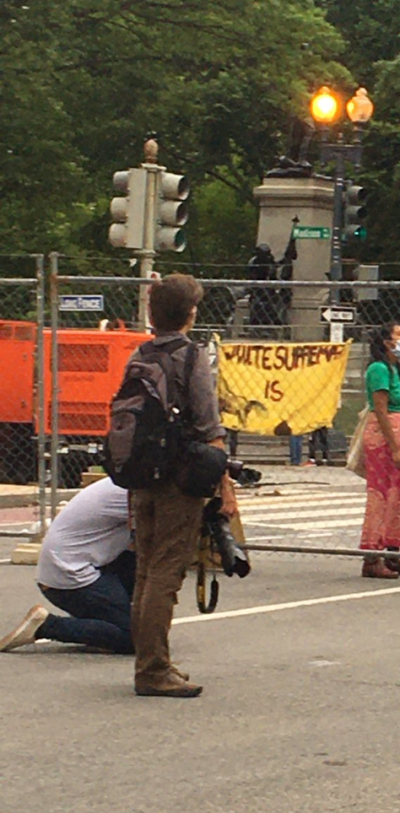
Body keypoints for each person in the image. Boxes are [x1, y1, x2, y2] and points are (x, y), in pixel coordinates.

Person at [128, 274, 233, 697]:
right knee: (167, 572)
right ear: (189, 313)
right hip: (180, 476)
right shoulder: (192, 357)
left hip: (142, 474)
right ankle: (152, 671)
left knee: (145, 570)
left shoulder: (139, 354)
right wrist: (225, 487)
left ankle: (152, 661)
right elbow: (209, 426)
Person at [0, 477, 136, 655]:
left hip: (76, 567)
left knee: (137, 562)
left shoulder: (129, 480)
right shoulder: (136, 491)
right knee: (136, 639)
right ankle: (47, 626)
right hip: (71, 575)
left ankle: (101, 621)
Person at [359, 324, 400, 578]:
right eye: (399, 334)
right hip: (385, 437)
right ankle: (372, 557)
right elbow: (381, 409)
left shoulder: (395, 368)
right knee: (381, 494)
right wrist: (393, 448)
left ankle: (392, 550)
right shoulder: (378, 369)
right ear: (386, 342)